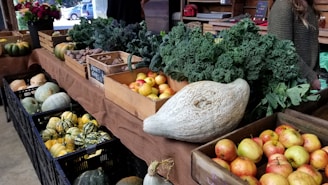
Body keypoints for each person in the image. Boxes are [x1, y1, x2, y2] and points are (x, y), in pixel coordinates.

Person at [268, 0, 321, 90]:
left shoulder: (308, 4)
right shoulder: (282, 5)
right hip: (289, 87)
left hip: (306, 85)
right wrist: (311, 78)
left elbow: (313, 46)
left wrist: (315, 74)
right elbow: (282, 51)